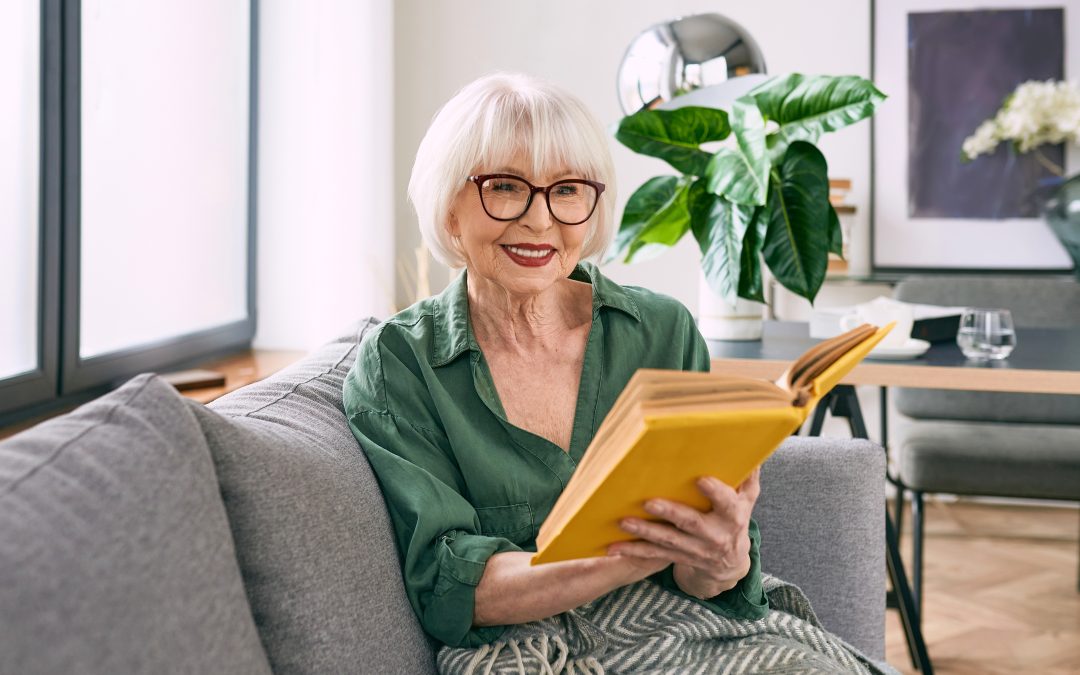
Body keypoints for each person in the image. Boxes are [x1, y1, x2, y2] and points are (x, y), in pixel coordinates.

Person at [344, 72, 891, 674]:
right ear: (449, 205)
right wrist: (629, 556)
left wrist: (723, 555)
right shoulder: (400, 364)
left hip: (687, 626)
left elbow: (709, 584)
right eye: (504, 187)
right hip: (525, 646)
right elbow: (453, 590)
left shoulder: (662, 331)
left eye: (568, 190)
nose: (539, 219)